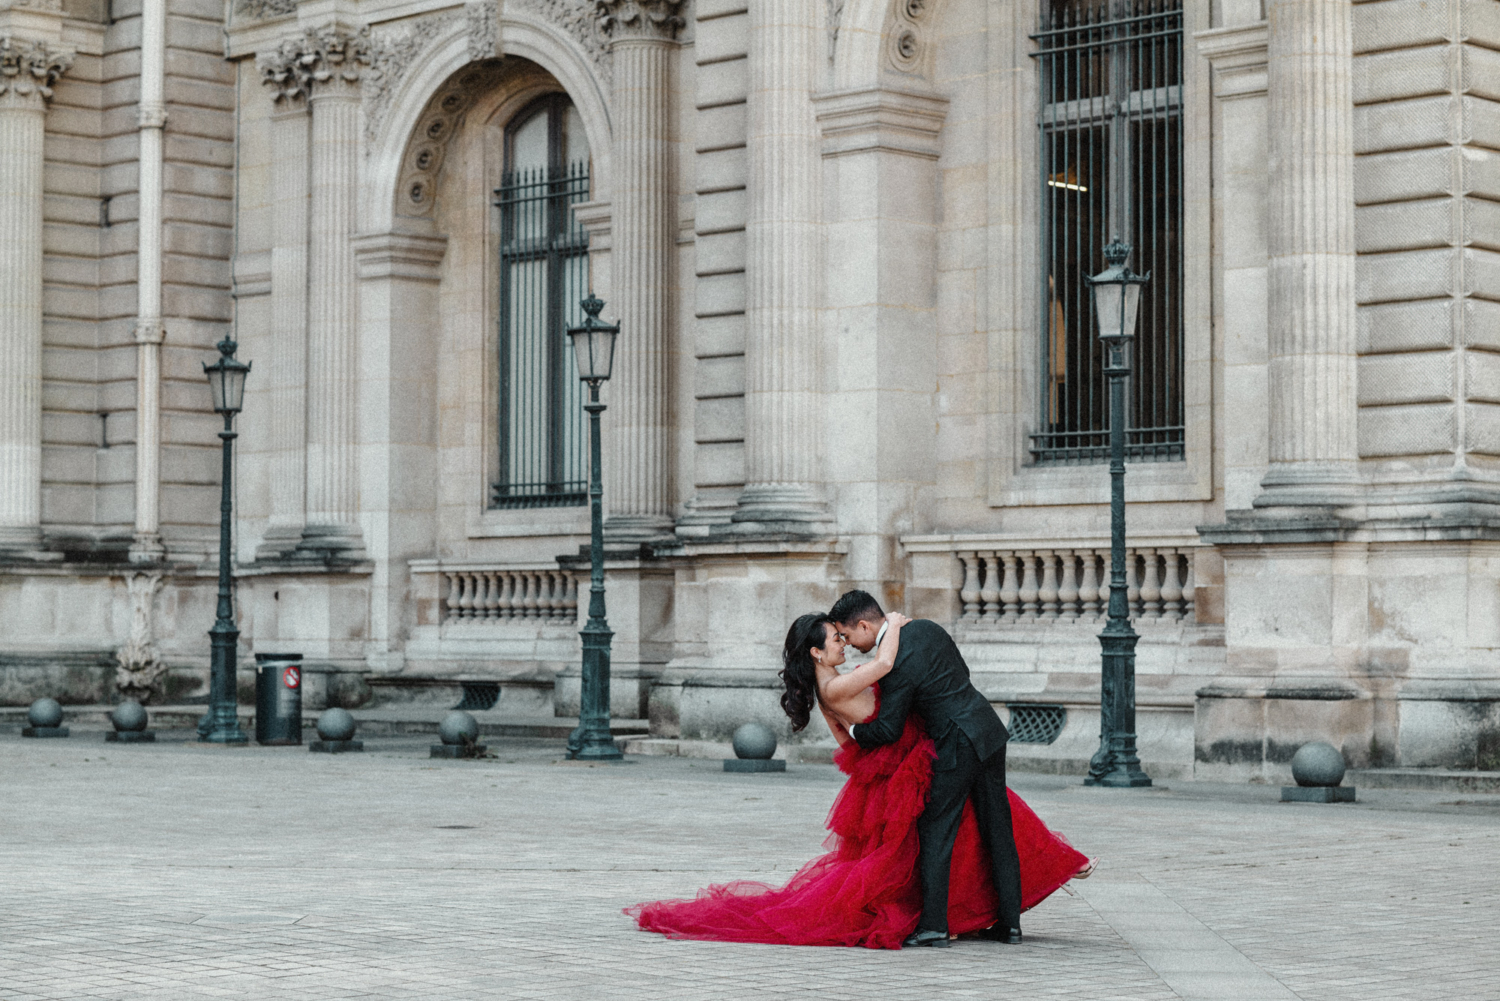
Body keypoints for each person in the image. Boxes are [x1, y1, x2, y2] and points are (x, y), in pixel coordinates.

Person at [625, 607, 1091, 949]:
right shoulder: (839, 681)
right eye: (835, 639)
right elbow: (885, 669)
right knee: (965, 828)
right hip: (926, 749)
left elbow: (846, 740)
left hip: (921, 750)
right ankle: (972, 918)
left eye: (843, 635)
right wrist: (895, 623)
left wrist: (873, 756)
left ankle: (961, 916)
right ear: (816, 652)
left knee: (963, 827)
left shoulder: (827, 687)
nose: (843, 644)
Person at [833, 589, 1029, 947]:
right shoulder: (927, 628)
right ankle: (1010, 924)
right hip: (988, 729)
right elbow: (961, 673)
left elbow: (889, 728)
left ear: (864, 624)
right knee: (997, 827)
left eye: (847, 635)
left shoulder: (892, 664)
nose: (848, 643)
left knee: (935, 829)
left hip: (956, 742)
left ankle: (935, 925)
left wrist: (852, 730)